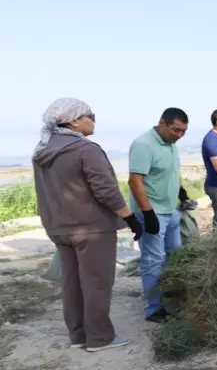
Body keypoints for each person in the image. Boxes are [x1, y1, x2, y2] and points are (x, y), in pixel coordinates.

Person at [32, 99, 142, 352]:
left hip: (58, 227)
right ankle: (100, 338)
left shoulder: (42, 151)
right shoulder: (86, 149)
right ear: (73, 121)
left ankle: (78, 336)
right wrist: (130, 217)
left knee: (71, 283)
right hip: (91, 228)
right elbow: (106, 191)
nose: (94, 120)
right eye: (90, 115)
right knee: (96, 283)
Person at [129, 108, 189, 324]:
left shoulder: (171, 144)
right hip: (152, 213)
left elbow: (171, 173)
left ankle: (170, 297)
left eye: (183, 132)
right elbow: (135, 181)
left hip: (170, 210)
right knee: (153, 260)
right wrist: (147, 213)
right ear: (162, 123)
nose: (179, 135)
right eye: (176, 130)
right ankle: (154, 309)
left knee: (174, 256)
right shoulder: (144, 144)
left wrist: (181, 192)